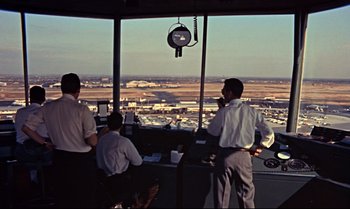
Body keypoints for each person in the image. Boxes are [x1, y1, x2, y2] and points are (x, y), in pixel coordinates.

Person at [22, 73, 98, 208]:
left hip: (59, 159)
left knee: (63, 198)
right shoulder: (82, 109)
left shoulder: (48, 108)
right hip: (81, 162)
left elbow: (27, 128)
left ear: (61, 89)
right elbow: (92, 141)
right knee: (84, 199)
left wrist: (44, 143)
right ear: (78, 91)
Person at [207, 78, 275, 209]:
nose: (222, 92)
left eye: (224, 90)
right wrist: (261, 147)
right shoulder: (252, 111)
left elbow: (213, 131)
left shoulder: (224, 112)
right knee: (246, 196)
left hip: (225, 156)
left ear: (230, 93)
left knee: (221, 197)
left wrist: (221, 110)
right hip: (244, 156)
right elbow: (269, 132)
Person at [96, 111, 159, 208]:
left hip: (103, 183)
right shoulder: (123, 142)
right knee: (155, 180)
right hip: (120, 184)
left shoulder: (100, 140)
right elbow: (138, 162)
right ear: (121, 126)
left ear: (107, 125)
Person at [14, 86, 52, 183]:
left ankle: (33, 178)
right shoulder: (45, 112)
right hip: (43, 152)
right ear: (43, 99)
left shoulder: (19, 112)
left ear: (30, 98)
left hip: (22, 153)